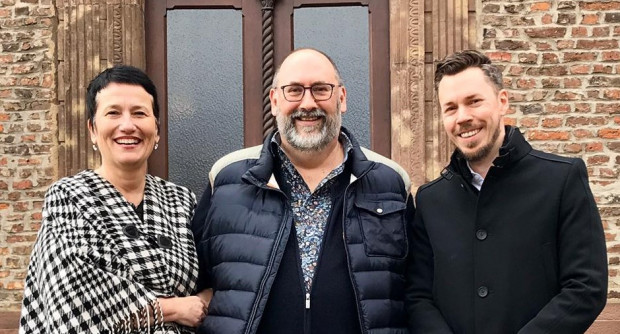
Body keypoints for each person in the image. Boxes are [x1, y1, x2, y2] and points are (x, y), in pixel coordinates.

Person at [192, 48, 414, 334]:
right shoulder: (227, 179)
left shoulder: (390, 182)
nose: (308, 103)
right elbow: (196, 282)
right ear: (274, 101)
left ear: (342, 98)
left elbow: (412, 290)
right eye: (294, 90)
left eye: (321, 89)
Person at [406, 50, 608, 333]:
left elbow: (586, 287)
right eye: (450, 108)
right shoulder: (429, 200)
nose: (463, 117)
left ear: (502, 102)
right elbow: (418, 297)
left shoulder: (562, 179)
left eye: (474, 101)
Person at [19, 65, 211, 333]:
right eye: (113, 113)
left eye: (139, 113)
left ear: (156, 130)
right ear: (93, 130)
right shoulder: (69, 198)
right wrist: (174, 309)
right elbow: (73, 304)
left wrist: (203, 301)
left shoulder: (181, 201)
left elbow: (216, 279)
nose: (128, 125)